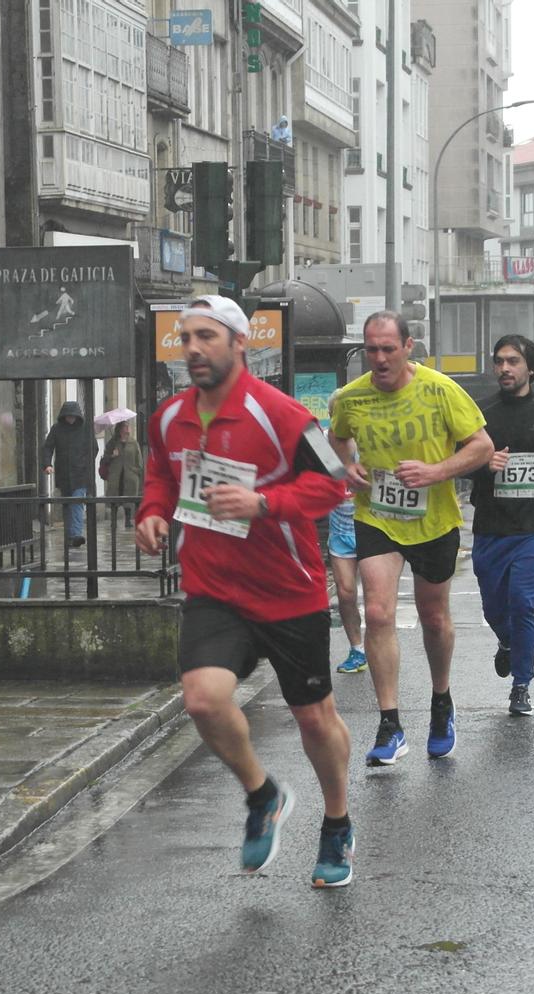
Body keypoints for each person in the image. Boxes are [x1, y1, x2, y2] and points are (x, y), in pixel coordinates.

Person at [135, 296, 358, 888]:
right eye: (186, 338)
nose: (193, 349)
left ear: (239, 344)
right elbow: (161, 470)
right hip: (214, 587)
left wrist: (264, 503)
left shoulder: (280, 414)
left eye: (206, 337)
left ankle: (336, 822)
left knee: (314, 719)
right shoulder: (169, 416)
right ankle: (262, 794)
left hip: (288, 589)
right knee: (203, 700)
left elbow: (333, 484)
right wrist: (153, 513)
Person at [330, 313, 494, 765]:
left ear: (408, 346)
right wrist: (347, 466)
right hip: (377, 516)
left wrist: (436, 471)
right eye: (371, 349)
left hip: (434, 520)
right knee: (378, 612)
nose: (379, 358)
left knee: (434, 618)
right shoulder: (352, 396)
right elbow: (335, 438)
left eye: (388, 348)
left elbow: (481, 446)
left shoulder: (441, 390)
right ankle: (390, 723)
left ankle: (442, 700)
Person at [470, 334, 534, 717]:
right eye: (499, 361)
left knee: (523, 602)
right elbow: (459, 460)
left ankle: (521, 685)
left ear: (530, 367)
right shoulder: (479, 415)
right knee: (494, 608)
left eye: (513, 361)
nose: (504, 368)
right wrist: (484, 464)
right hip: (492, 527)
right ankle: (507, 643)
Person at [44, 401, 95, 549]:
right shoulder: (56, 429)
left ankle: (75, 535)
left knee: (76, 503)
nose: (71, 419)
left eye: (73, 416)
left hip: (80, 475)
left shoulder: (85, 430)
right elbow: (48, 448)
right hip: (63, 475)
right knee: (68, 506)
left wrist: (84, 463)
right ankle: (70, 536)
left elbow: (94, 448)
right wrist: (47, 464)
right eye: (68, 416)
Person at [327, 495, 367, 674]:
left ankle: (379, 646)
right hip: (340, 533)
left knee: (376, 600)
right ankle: (357, 650)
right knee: (345, 593)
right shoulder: (331, 465)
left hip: (372, 529)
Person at [100, 419, 144, 515]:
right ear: (120, 428)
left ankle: (128, 520)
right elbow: (105, 459)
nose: (128, 427)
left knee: (128, 500)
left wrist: (135, 471)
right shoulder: (112, 443)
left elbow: (139, 460)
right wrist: (112, 455)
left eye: (128, 425)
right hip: (116, 477)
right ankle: (113, 522)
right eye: (125, 426)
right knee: (114, 500)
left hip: (129, 476)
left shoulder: (133, 443)